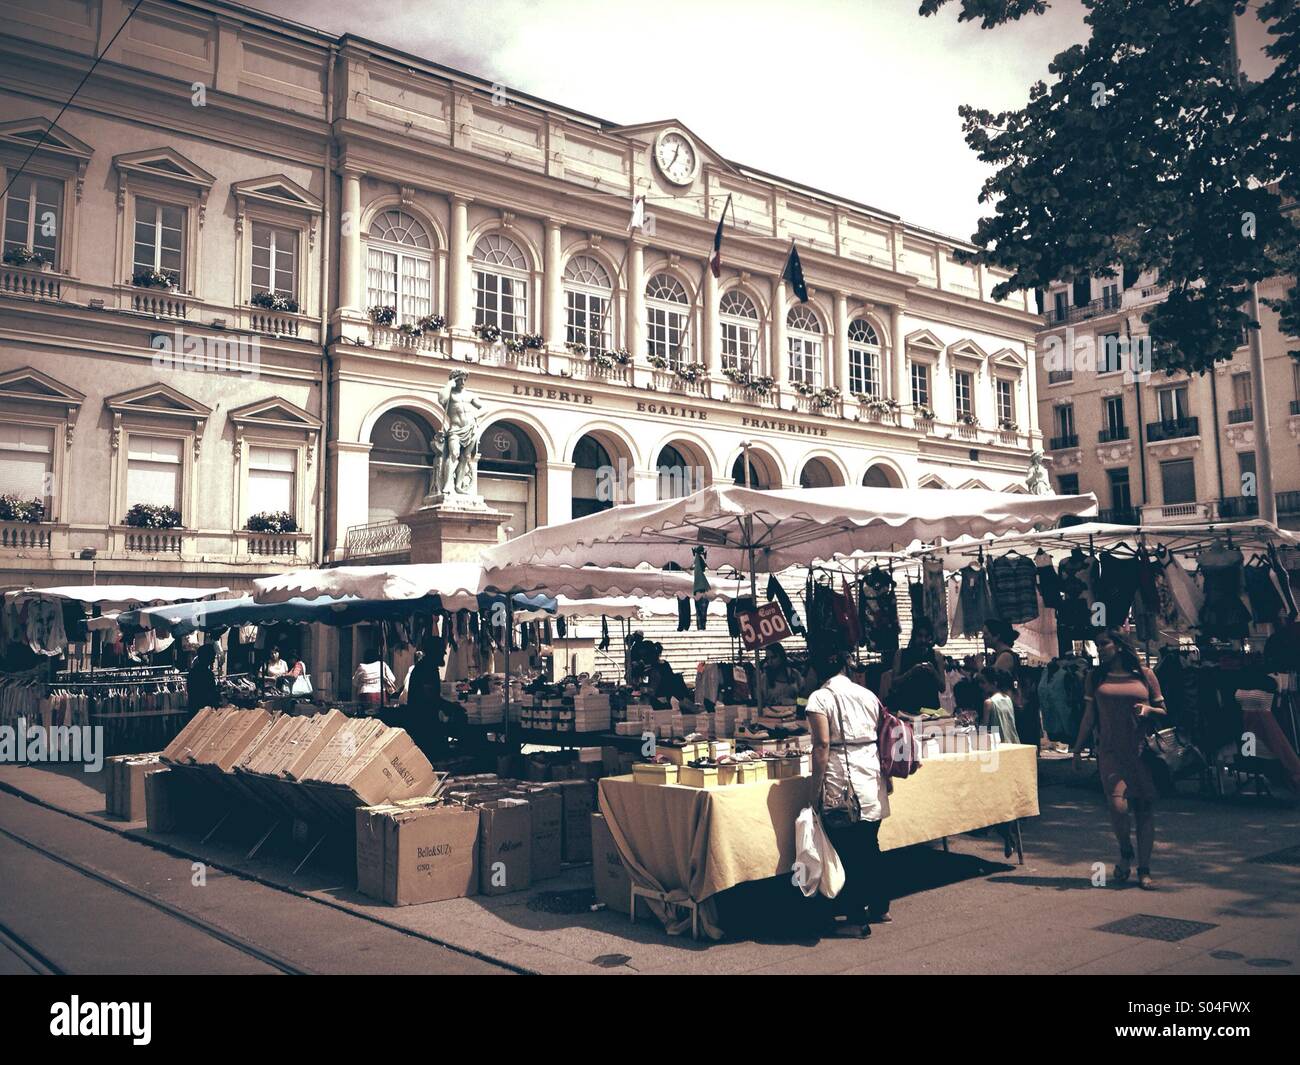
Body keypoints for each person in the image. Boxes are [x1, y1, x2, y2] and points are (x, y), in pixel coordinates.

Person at [1071, 629, 1167, 890]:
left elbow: (1164, 711)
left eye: (1104, 644)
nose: (1099, 649)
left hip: (1140, 751)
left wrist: (1149, 710)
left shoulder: (1145, 675)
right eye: (1096, 645)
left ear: (1119, 645)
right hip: (1110, 751)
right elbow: (1089, 716)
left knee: (1144, 809)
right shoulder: (1096, 677)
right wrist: (1077, 748)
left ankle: (1144, 869)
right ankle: (1126, 852)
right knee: (1118, 806)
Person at [806, 648, 892, 938]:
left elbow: (821, 747)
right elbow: (882, 736)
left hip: (843, 783)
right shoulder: (868, 695)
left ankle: (856, 918)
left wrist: (814, 791)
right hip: (871, 777)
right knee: (870, 845)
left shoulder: (820, 698)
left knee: (848, 852)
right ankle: (880, 906)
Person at [884, 617, 946, 716]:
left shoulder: (937, 656)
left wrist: (933, 672)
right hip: (907, 710)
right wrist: (911, 672)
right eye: (920, 636)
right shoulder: (901, 654)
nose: (923, 640)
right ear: (914, 636)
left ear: (930, 638)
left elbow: (942, 688)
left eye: (926, 636)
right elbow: (894, 684)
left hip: (930, 711)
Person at [980, 668, 1020, 744]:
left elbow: (984, 729)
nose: (981, 685)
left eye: (983, 682)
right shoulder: (1008, 699)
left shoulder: (988, 703)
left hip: (998, 743)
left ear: (994, 683)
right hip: (1012, 742)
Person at [352, 647, 398, 711]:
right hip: (381, 693)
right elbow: (392, 679)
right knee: (382, 714)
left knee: (366, 715)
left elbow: (354, 682)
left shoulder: (362, 667)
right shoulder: (382, 664)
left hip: (365, 694)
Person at [186, 644, 220, 714]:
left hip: (194, 708)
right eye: (213, 656)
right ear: (207, 657)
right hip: (203, 710)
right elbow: (209, 693)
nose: (214, 659)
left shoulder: (192, 672)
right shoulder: (207, 674)